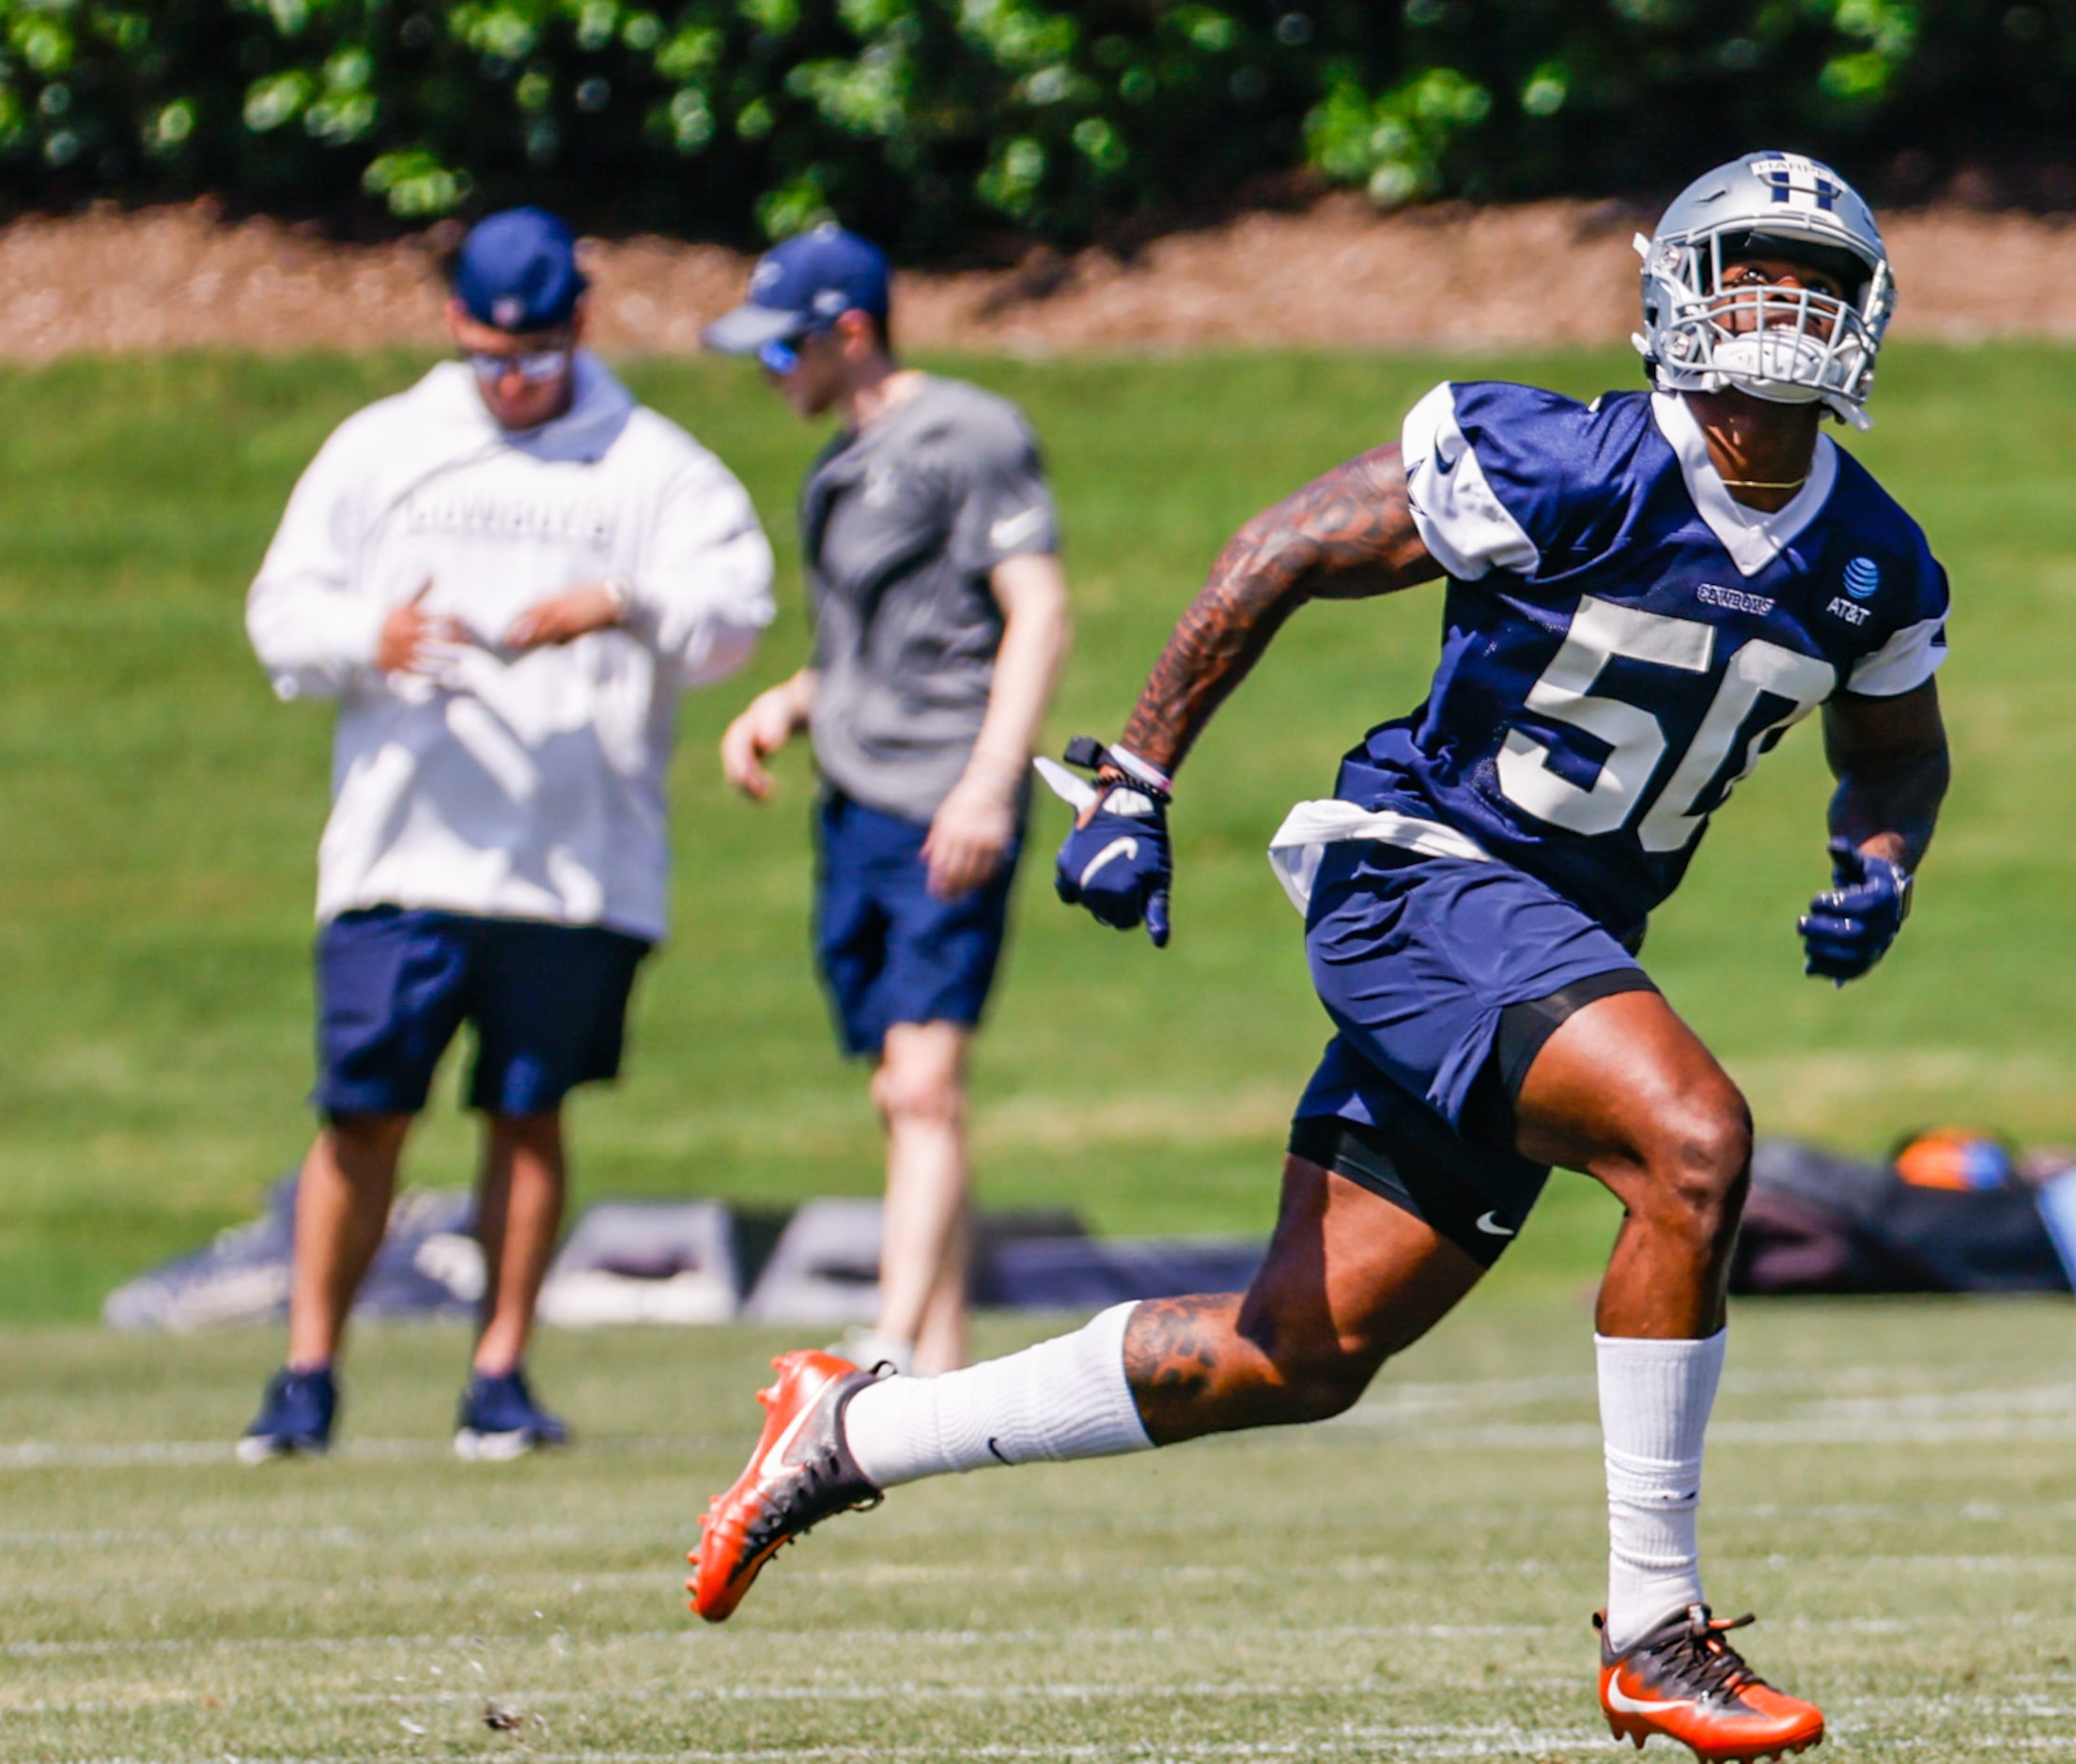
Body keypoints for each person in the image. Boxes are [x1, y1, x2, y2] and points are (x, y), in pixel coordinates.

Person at [687, 151, 1952, 1762]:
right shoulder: (1557, 458)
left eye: (1814, 282)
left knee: (1293, 1350)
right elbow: (1286, 542)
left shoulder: (1874, 559)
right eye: (1752, 272)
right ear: (1675, 291)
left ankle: (853, 1427)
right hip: (1420, 881)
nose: (1782, 309)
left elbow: (1897, 749)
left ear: (1866, 313)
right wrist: (1138, 778)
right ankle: (1652, 1634)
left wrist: (1879, 856)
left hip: (1544, 953)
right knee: (1691, 1141)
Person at [240, 207, 776, 1462]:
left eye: (534, 354)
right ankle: (307, 1369)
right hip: (403, 846)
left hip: (576, 858)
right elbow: (281, 611)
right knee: (362, 1110)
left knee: (528, 1112)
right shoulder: (387, 446)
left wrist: (623, 602)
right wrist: (365, 639)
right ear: (455, 331)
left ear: (579, 328)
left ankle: (499, 1371)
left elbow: (735, 610)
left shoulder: (652, 464)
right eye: (492, 355)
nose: (514, 379)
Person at [705, 225, 1072, 1378]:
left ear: (849, 333)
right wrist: (793, 699)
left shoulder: (966, 434)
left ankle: (890, 1343)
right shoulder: (837, 463)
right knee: (902, 1088)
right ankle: (947, 1371)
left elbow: (1037, 612)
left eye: (782, 352)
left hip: (939, 794)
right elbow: (887, 642)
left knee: (923, 1083)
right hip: (855, 801)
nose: (770, 375)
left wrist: (984, 786)